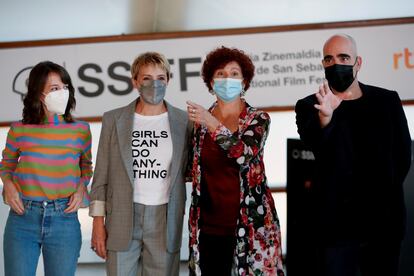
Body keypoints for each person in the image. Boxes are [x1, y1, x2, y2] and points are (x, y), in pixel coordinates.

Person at [295, 34, 412, 276]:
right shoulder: (310, 105)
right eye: (328, 59)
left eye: (343, 57)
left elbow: (402, 156)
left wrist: (382, 195)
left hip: (383, 224)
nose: (335, 63)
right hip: (335, 228)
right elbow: (314, 144)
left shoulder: (387, 101)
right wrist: (326, 118)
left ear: (358, 63)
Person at [89, 52, 190, 276]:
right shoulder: (113, 119)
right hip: (121, 217)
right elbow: (101, 175)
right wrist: (98, 223)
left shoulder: (184, 122)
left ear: (168, 81)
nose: (154, 84)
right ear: (135, 81)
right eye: (146, 78)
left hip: (166, 219)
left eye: (161, 78)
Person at [186, 46, 285, 276]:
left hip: (252, 226)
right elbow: (192, 170)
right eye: (220, 73)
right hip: (209, 227)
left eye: (234, 73)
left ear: (244, 82)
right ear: (210, 82)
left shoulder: (258, 119)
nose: (227, 79)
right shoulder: (198, 122)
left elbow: (243, 154)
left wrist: (211, 122)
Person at [0, 61, 93, 276]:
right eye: (54, 89)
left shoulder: (81, 130)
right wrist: (9, 185)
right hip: (23, 217)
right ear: (39, 95)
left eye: (65, 87)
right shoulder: (19, 129)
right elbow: (7, 165)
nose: (63, 93)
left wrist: (81, 188)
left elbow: (86, 167)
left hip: (64, 217)